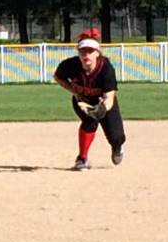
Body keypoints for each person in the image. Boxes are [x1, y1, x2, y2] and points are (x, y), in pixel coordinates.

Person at [53, 29, 126, 171]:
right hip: (82, 100)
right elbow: (58, 77)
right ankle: (82, 158)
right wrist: (73, 91)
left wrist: (102, 108)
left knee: (117, 137)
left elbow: (109, 97)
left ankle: (117, 147)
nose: (86, 55)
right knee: (89, 121)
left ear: (97, 53)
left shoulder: (106, 69)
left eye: (90, 51)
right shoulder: (69, 65)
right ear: (78, 52)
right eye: (83, 51)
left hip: (103, 102)